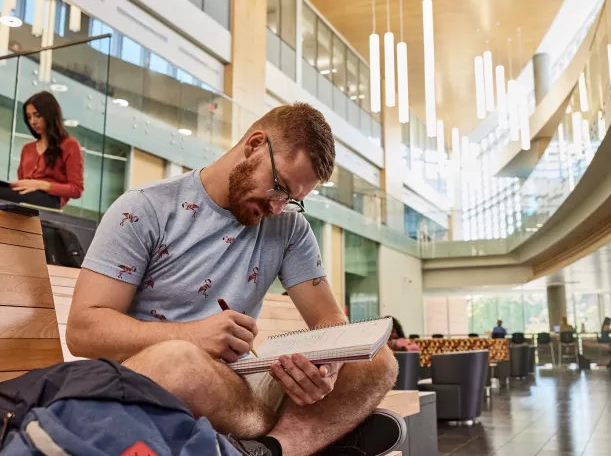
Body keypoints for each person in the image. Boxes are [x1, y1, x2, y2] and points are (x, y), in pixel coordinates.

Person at [66, 103, 400, 456]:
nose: (276, 207)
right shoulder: (145, 209)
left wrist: (328, 366)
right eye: (278, 187)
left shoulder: (288, 228)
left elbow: (329, 320)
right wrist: (193, 336)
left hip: (241, 384)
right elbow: (82, 330)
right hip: (167, 381)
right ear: (254, 145)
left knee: (378, 361)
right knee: (181, 361)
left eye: (291, 199)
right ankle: (315, 436)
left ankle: (275, 448)